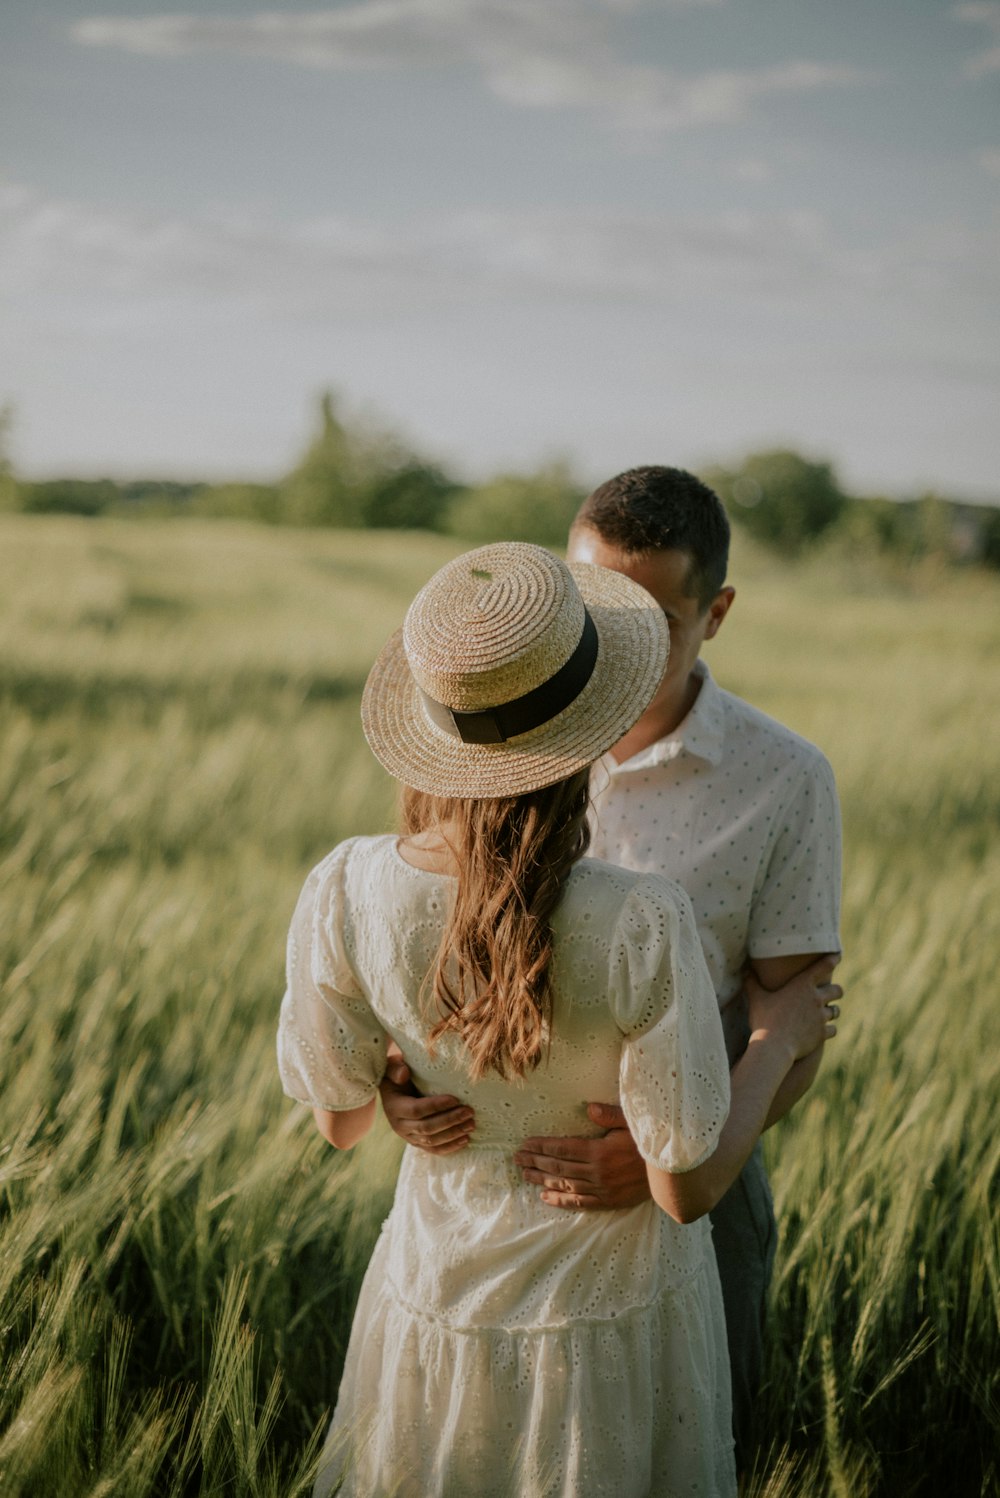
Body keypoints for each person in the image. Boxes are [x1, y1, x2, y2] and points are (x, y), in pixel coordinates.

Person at [278, 541, 838, 1498]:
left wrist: (396, 1075)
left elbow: (340, 1124)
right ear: (588, 733)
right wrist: (781, 1034)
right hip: (609, 1309)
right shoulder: (641, 916)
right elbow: (685, 1187)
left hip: (437, 1284)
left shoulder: (343, 887)